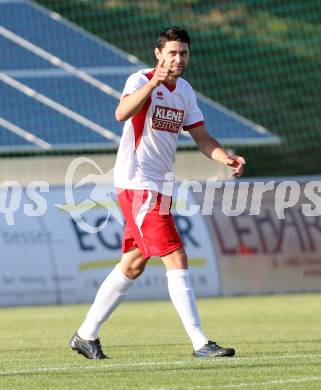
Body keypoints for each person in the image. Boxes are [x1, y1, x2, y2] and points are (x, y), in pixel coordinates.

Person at [70, 26, 245, 359]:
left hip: (159, 186)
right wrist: (153, 84)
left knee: (133, 264)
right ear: (158, 54)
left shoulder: (185, 92)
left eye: (184, 53)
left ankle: (85, 335)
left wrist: (227, 157)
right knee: (176, 256)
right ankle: (199, 342)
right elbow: (120, 114)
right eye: (172, 53)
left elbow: (202, 137)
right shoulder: (140, 80)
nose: (178, 59)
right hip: (137, 183)